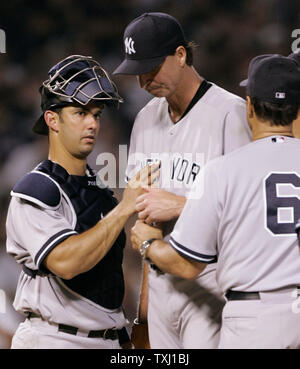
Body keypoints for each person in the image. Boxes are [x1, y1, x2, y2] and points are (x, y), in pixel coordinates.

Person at [131, 54, 300, 349]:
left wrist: (148, 244)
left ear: (249, 107)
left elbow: (185, 265)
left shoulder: (224, 171)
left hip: (253, 317)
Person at [113, 12, 251, 349]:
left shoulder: (229, 113)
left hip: (211, 281)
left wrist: (180, 205)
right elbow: (144, 215)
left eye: (151, 67)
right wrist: (145, 300)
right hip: (160, 282)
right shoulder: (146, 118)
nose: (144, 81)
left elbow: (251, 210)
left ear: (180, 55)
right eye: (137, 72)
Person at [6, 55, 159, 349]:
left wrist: (123, 338)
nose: (92, 123)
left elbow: (106, 280)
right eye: (80, 113)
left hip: (107, 339)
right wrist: (125, 207)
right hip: (53, 337)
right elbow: (66, 263)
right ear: (52, 119)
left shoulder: (99, 192)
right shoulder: (35, 189)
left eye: (96, 114)